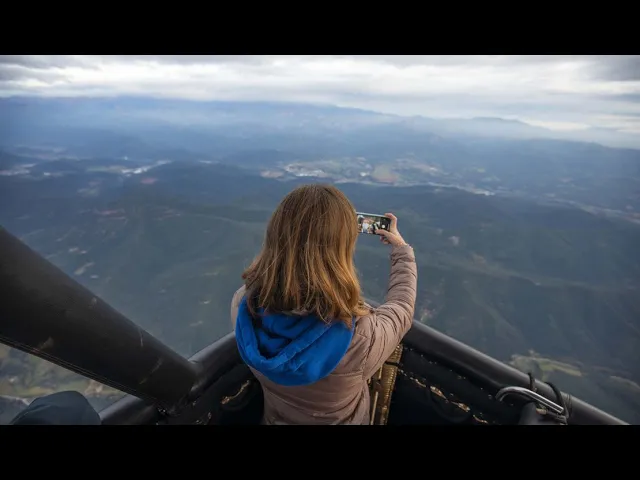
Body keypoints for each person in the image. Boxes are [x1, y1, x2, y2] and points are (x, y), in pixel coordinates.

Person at [231, 184, 417, 425]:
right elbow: (402, 309)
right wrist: (401, 251)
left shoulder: (244, 307)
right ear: (342, 247)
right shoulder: (360, 336)